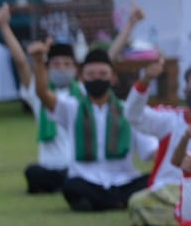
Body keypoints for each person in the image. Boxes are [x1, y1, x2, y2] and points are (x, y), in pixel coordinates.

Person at [34, 46, 149, 212]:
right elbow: (43, 94)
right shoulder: (72, 108)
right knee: (71, 186)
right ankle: (118, 203)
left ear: (113, 78)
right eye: (91, 75)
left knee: (151, 180)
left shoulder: (128, 111)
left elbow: (151, 150)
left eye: (103, 74)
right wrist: (39, 61)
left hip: (124, 181)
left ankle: (104, 203)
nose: (97, 79)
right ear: (81, 78)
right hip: (87, 181)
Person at [0, 5, 75, 193]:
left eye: (66, 64)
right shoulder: (41, 94)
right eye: (56, 64)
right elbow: (21, 62)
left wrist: (130, 25)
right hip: (50, 168)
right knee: (33, 173)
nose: (62, 68)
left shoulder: (84, 95)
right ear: (48, 68)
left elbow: (106, 62)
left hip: (76, 167)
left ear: (75, 68)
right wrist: (4, 26)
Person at [123, 56, 191, 226]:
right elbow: (133, 115)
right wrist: (146, 80)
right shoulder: (171, 119)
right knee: (138, 204)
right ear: (185, 90)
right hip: (167, 191)